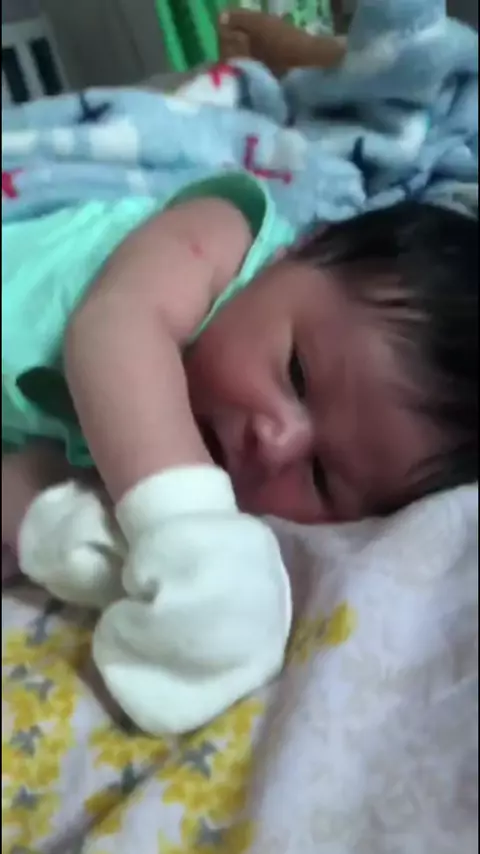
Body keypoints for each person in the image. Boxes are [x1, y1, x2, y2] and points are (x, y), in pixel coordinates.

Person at [2, 171, 477, 734]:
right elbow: (114, 326)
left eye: (322, 476)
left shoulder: (157, 480)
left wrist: (73, 539)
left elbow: (26, 472)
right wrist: (185, 522)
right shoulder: (222, 238)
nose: (275, 441)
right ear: (298, 250)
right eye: (296, 375)